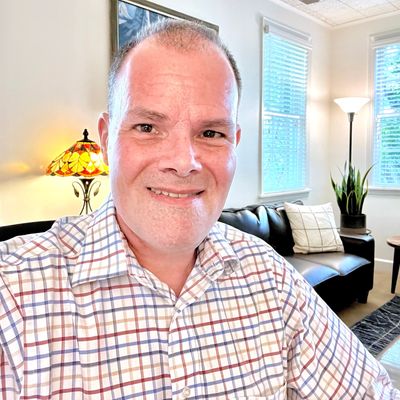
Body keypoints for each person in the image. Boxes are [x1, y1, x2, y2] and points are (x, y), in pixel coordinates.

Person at [0, 20, 398, 400]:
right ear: (106, 141)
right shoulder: (14, 294)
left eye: (210, 133)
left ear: (234, 144)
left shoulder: (269, 276)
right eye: (147, 127)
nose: (183, 162)